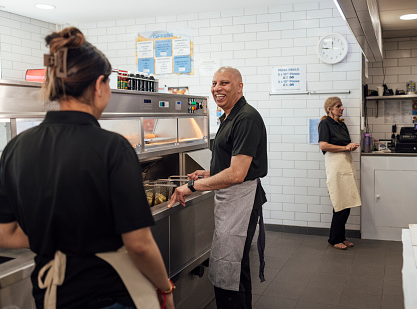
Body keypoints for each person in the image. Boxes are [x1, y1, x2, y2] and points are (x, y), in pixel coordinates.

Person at [0, 27, 175, 309]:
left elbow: (4, 233)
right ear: (99, 85)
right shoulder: (113, 148)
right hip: (108, 295)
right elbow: (139, 243)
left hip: (51, 295)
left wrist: (54, 234)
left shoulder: (15, 148)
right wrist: (165, 286)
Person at [170, 66, 267, 309]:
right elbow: (232, 163)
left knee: (229, 270)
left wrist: (193, 186)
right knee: (236, 268)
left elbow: (237, 174)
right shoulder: (229, 116)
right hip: (234, 198)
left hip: (241, 201)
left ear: (239, 86)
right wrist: (209, 172)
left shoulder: (245, 118)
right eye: (214, 83)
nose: (217, 89)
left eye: (224, 83)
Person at [318, 97, 361, 250]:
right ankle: (334, 239)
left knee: (347, 201)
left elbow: (344, 144)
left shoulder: (342, 125)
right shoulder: (325, 123)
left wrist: (350, 147)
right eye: (338, 106)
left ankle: (341, 237)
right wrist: (345, 148)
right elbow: (323, 145)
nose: (342, 108)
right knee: (339, 202)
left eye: (341, 106)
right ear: (330, 109)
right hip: (335, 165)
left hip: (346, 164)